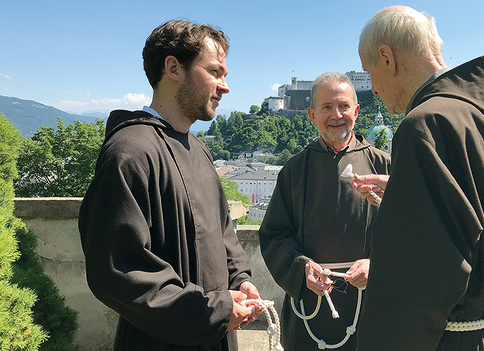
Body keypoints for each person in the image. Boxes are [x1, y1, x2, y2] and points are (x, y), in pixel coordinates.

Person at [354, 6, 484, 350]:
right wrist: (404, 192)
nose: (373, 89)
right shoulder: (483, 109)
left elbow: (424, 271)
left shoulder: (423, 124)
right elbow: (483, 207)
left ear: (386, 57)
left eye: (370, 73)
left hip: (456, 340)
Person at [79, 20, 261, 351]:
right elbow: (118, 270)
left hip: (217, 335)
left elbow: (224, 234)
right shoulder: (131, 151)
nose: (225, 86)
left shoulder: (200, 149)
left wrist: (241, 280)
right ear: (173, 68)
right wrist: (211, 310)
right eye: (215, 72)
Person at [259, 72, 391, 350]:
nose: (336, 115)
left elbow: (409, 234)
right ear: (312, 115)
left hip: (372, 306)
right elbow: (274, 235)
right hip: (310, 305)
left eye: (343, 106)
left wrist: (377, 265)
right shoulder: (293, 171)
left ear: (356, 111)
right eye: (327, 107)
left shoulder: (386, 166)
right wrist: (301, 268)